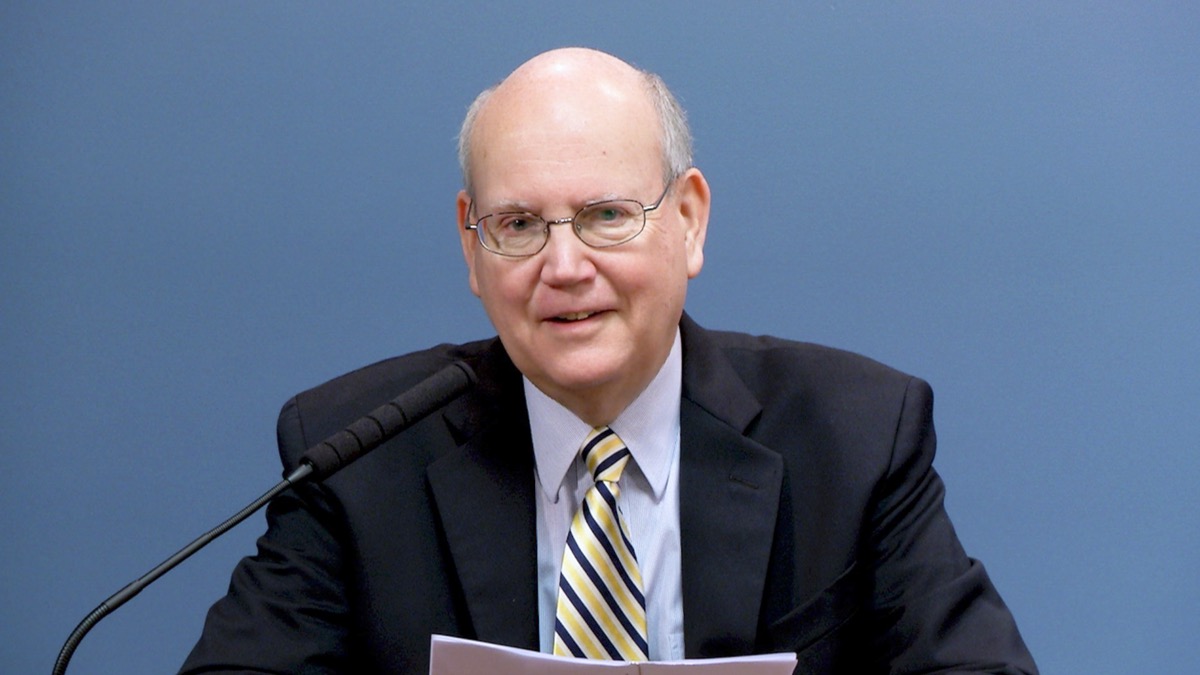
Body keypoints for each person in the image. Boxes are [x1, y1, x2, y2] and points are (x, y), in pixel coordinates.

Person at [181, 48, 1037, 674]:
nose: (564, 267)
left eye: (605, 215)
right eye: (519, 224)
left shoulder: (855, 437)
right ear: (472, 247)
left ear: (689, 220)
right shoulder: (356, 456)